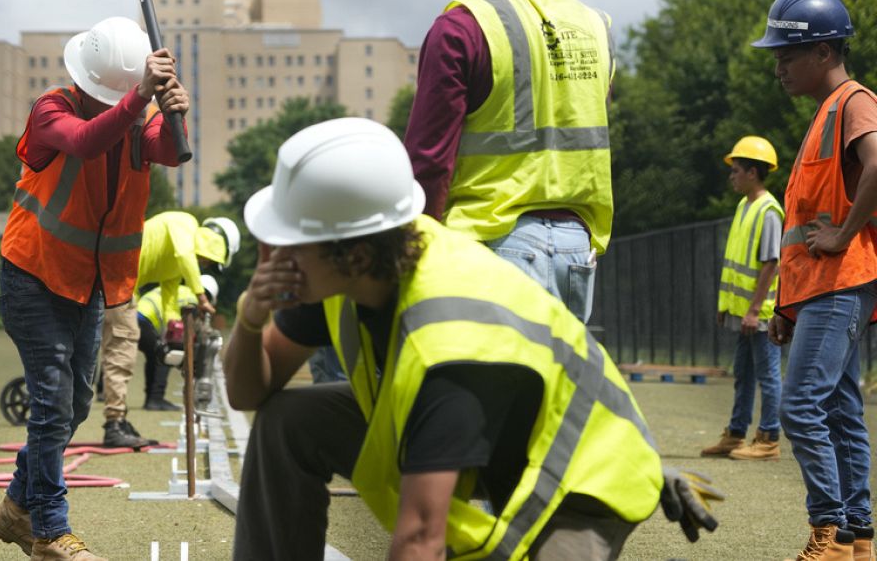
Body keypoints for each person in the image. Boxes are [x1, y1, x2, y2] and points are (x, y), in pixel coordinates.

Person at [224, 117, 718, 560]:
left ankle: (641, 475)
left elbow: (421, 539)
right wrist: (249, 317)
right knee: (288, 420)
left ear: (351, 254)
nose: (275, 256)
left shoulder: (452, 346)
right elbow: (249, 393)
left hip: (575, 472)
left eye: (292, 242)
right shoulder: (352, 262)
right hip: (478, 429)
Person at [0, 15, 190, 560]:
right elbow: (83, 141)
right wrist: (140, 98)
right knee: (54, 402)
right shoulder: (53, 108)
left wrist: (174, 115)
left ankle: (15, 507)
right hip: (33, 275)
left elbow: (166, 151)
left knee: (75, 403)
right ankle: (51, 533)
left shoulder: (136, 119)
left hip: (91, 283)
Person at [404, 0, 613, 322]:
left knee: (486, 390)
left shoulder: (460, 28)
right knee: (558, 388)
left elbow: (429, 159)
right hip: (579, 248)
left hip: (492, 246)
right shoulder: (595, 26)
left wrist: (411, 254)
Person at [754, 0, 877, 561]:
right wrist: (786, 306)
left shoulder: (854, 102)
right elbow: (804, 228)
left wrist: (847, 233)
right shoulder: (825, 115)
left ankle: (826, 533)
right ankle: (857, 541)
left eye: (787, 54)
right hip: (822, 291)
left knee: (799, 405)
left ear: (825, 52)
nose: (778, 66)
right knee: (839, 411)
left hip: (843, 281)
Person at [99, 210, 238, 447]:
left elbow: (170, 302)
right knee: (122, 351)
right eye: (211, 262)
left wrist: (175, 340)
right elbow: (185, 255)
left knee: (119, 351)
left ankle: (118, 421)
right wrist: (200, 295)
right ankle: (114, 425)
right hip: (116, 279)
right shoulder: (185, 223)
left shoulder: (176, 267)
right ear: (214, 245)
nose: (205, 266)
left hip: (121, 283)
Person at [700, 137, 784, 462]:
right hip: (742, 313)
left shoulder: (769, 211)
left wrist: (751, 311)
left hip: (759, 315)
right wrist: (726, 307)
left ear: (752, 172)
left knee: (767, 376)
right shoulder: (744, 206)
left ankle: (769, 438)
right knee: (743, 375)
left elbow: (770, 264)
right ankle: (736, 434)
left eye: (736, 171)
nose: (731, 177)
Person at [135, 274, 217, 411]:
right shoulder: (193, 300)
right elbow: (183, 335)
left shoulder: (181, 289)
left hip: (135, 316)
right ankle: (155, 398)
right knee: (169, 355)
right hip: (145, 319)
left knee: (154, 357)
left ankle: (151, 397)